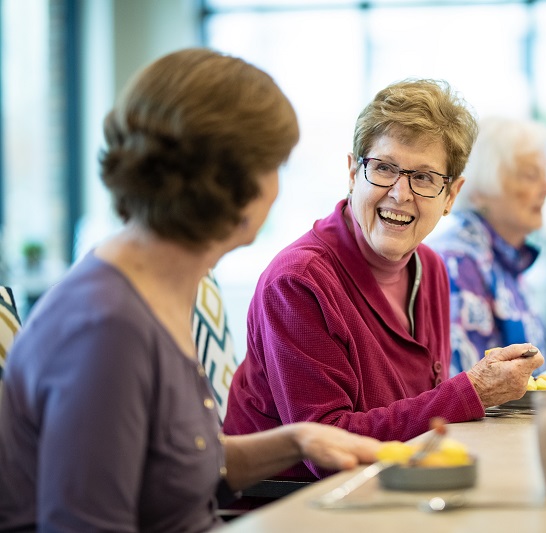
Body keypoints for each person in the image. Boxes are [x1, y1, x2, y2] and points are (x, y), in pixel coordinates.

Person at [0, 48, 379, 533]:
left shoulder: (158, 285)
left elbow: (174, 466)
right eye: (273, 169)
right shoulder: (107, 329)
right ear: (231, 186)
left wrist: (298, 441)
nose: (277, 189)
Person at [223, 79, 545, 480]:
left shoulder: (430, 269)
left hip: (397, 489)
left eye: (425, 178)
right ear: (353, 173)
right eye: (384, 168)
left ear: (451, 196)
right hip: (303, 509)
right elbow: (328, 451)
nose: (400, 193)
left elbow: (426, 420)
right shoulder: (298, 283)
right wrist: (470, 392)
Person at [427, 116, 546, 375]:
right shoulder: (458, 262)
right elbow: (465, 386)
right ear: (480, 188)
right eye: (530, 175)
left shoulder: (505, 257)